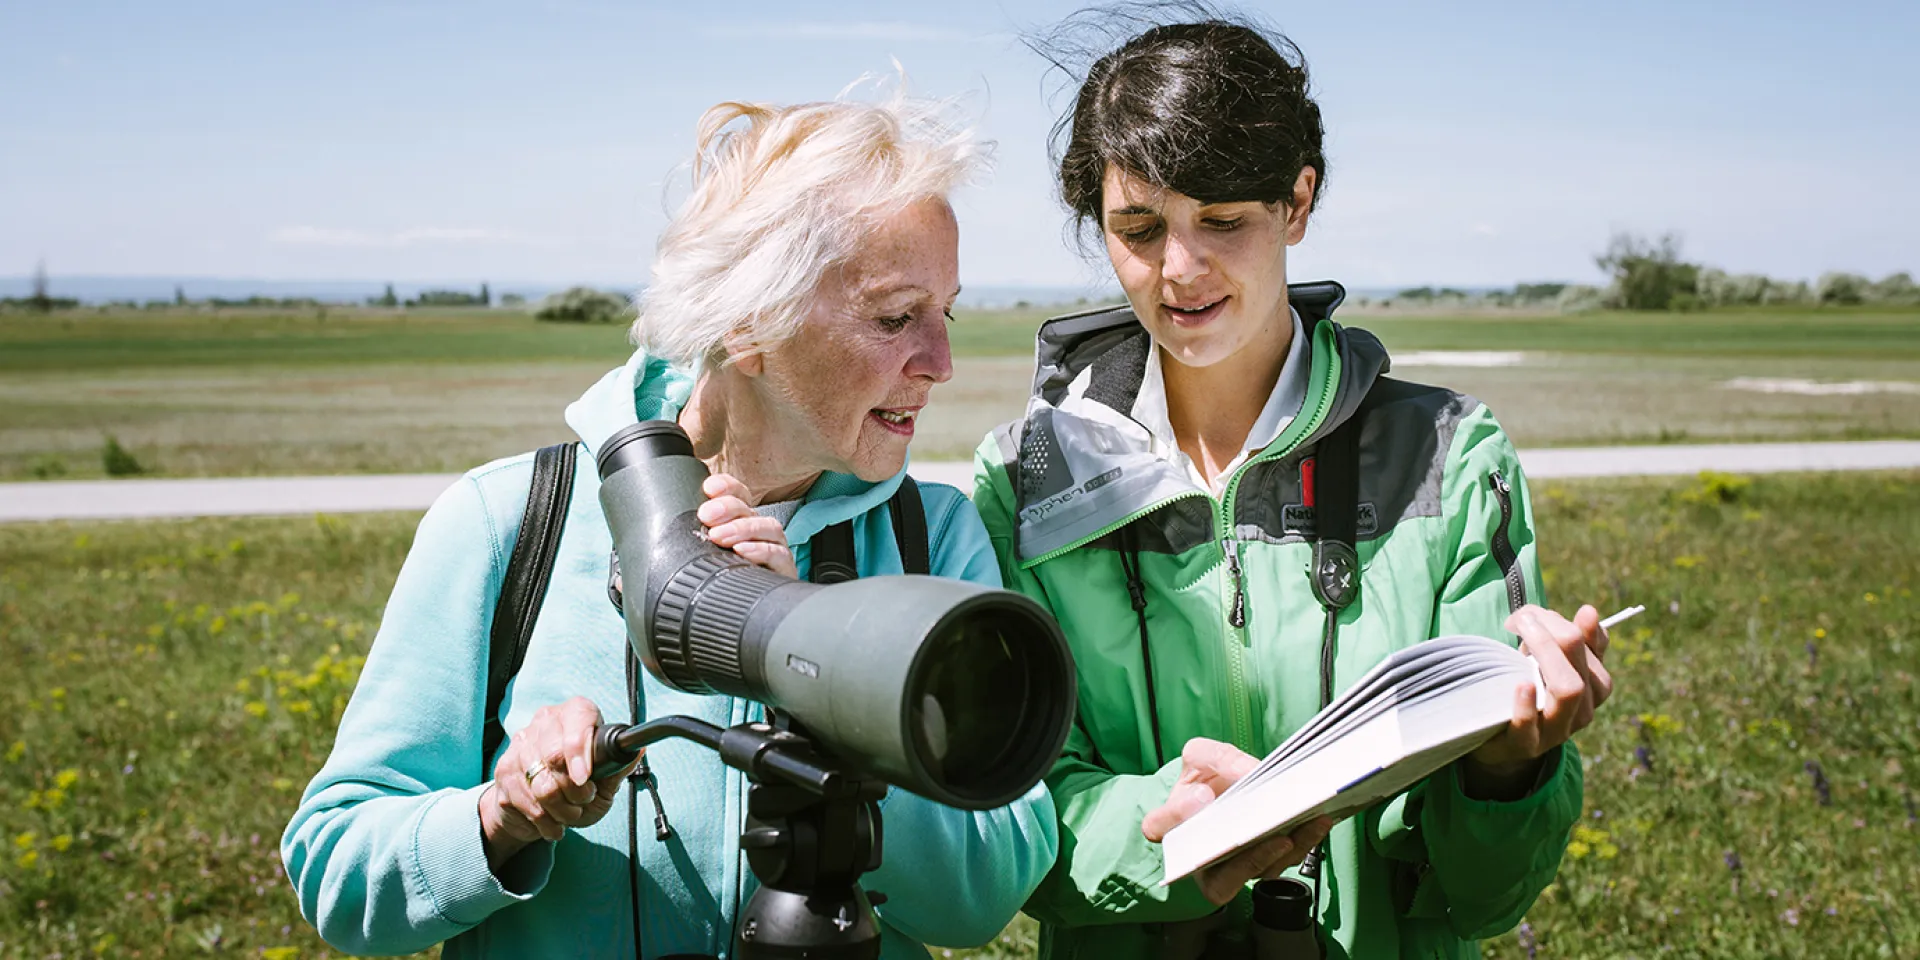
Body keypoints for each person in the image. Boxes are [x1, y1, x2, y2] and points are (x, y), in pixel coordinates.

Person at [283, 89, 1057, 959]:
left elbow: (987, 894)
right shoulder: (512, 522)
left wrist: (814, 661)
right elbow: (337, 875)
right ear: (750, 324)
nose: (942, 363)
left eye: (946, 312)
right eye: (893, 317)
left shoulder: (932, 540)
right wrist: (499, 818)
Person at [972, 12, 1614, 959]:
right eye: (1138, 228)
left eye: (1223, 220)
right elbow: (1011, 827)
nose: (1179, 268)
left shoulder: (1452, 455)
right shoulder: (1023, 479)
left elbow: (1486, 901)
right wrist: (1160, 837)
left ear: (1298, 202)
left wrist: (1511, 776)